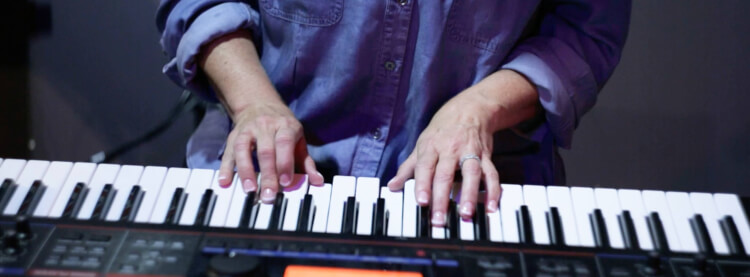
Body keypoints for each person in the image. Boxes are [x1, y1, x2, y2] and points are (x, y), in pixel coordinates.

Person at [157, 0, 630, 227]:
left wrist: (479, 107)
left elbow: (583, 33)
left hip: (470, 198)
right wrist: (254, 102)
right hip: (266, 179)